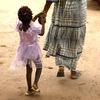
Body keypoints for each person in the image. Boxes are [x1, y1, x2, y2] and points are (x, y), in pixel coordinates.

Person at [34, 0, 87, 79]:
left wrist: (45, 11)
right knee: (74, 39)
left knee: (61, 35)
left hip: (61, 10)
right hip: (77, 10)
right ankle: (73, 71)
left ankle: (61, 67)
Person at [9, 6, 45, 96]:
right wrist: (43, 23)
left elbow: (28, 22)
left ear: (20, 17)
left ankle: (29, 89)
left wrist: (36, 17)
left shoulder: (19, 24)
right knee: (39, 66)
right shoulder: (34, 27)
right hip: (33, 50)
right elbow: (42, 33)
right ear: (30, 16)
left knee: (28, 70)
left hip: (23, 50)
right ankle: (35, 83)